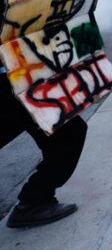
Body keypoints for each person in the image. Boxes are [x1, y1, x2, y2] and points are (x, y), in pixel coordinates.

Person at [1, 72, 87, 228]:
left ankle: (34, 201)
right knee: (69, 132)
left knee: (66, 132)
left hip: (13, 77)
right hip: (12, 78)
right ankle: (34, 202)